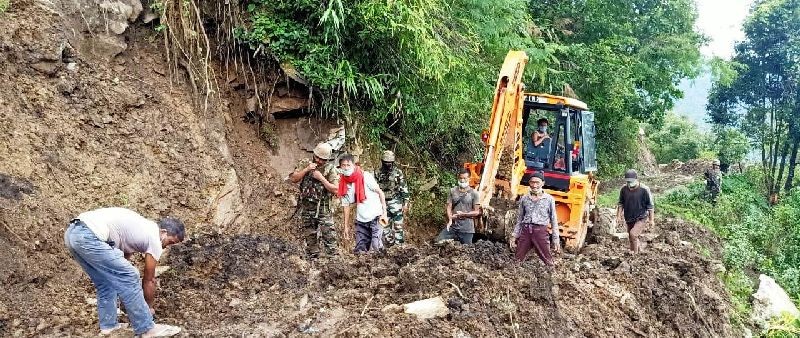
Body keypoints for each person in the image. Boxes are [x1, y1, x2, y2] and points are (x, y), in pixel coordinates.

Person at [64, 207, 184, 337]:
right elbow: (149, 279)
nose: (167, 247)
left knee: (106, 282)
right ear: (163, 232)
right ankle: (146, 328)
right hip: (89, 236)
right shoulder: (154, 237)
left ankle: (109, 326)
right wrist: (148, 308)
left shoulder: (138, 229)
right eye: (170, 242)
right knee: (131, 275)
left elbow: (119, 267)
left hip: (73, 233)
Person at [289, 142, 339, 257]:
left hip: (323, 208)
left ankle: (333, 261)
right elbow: (293, 178)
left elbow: (336, 190)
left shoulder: (330, 169)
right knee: (310, 236)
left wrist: (321, 178)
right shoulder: (305, 163)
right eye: (317, 157)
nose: (319, 161)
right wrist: (306, 169)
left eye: (322, 159)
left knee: (329, 236)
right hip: (307, 207)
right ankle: (314, 259)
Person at [338, 154, 388, 253]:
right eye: (343, 165)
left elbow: (380, 193)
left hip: (376, 217)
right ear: (340, 167)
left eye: (348, 165)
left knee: (376, 247)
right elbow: (346, 205)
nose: (346, 167)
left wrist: (384, 213)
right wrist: (346, 227)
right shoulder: (343, 183)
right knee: (360, 250)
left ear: (354, 165)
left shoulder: (365, 176)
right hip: (361, 219)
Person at [511, 172, 560, 265]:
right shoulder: (524, 198)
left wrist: (556, 239)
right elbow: (520, 219)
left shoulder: (549, 199)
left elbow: (554, 220)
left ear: (542, 183)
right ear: (529, 183)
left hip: (540, 232)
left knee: (547, 260)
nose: (534, 185)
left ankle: (551, 276)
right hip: (526, 231)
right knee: (517, 259)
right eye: (532, 182)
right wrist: (514, 235)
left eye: (537, 182)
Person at [374, 150, 410, 246]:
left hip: (395, 202)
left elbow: (403, 187)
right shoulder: (377, 173)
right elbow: (374, 189)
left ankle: (400, 246)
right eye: (386, 162)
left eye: (390, 163)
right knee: (385, 227)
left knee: (398, 227)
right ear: (382, 161)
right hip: (382, 204)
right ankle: (389, 246)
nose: (388, 164)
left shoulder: (398, 172)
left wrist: (405, 203)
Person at [436, 169, 480, 245]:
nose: (462, 180)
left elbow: (477, 212)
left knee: (467, 250)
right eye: (461, 178)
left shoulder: (474, 193)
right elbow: (449, 207)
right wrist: (450, 220)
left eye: (465, 178)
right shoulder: (452, 191)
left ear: (469, 178)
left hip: (467, 229)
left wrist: (464, 214)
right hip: (453, 226)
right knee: (439, 241)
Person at [616, 169, 655, 253]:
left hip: (641, 217)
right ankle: (636, 251)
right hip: (629, 217)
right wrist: (618, 216)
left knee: (633, 234)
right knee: (631, 237)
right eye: (628, 182)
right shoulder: (624, 189)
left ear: (637, 179)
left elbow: (650, 206)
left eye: (631, 181)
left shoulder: (644, 189)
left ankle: (635, 255)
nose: (629, 184)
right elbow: (620, 203)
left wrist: (651, 220)